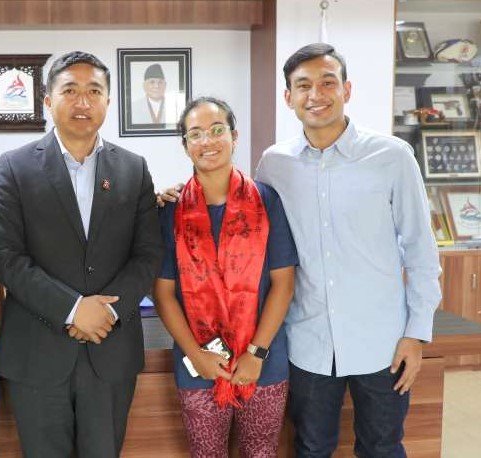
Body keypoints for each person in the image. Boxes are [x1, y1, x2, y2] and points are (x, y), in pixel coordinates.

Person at [255, 43, 442, 457]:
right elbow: (252, 233)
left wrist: (416, 334)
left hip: (383, 343)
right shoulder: (273, 164)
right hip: (308, 341)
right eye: (303, 85)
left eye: (328, 82)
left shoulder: (392, 156)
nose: (315, 95)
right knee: (311, 448)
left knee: (382, 448)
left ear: (347, 89)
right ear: (288, 97)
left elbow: (420, 250)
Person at [0, 51, 162, 457]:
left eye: (94, 91)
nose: (83, 101)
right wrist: (72, 309)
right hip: (37, 351)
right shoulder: (15, 167)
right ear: (48, 100)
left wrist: (106, 311)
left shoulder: (133, 169)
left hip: (110, 350)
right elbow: (5, 255)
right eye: (70, 90)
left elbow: (148, 254)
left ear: (107, 101)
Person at [154, 97, 297, 457]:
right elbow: (163, 294)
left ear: (234, 136)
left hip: (263, 361)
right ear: (185, 145)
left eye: (217, 130)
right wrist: (196, 355)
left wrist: (256, 353)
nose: (208, 141)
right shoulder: (170, 211)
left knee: (260, 451)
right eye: (196, 134)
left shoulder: (266, 200)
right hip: (199, 364)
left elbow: (284, 283)